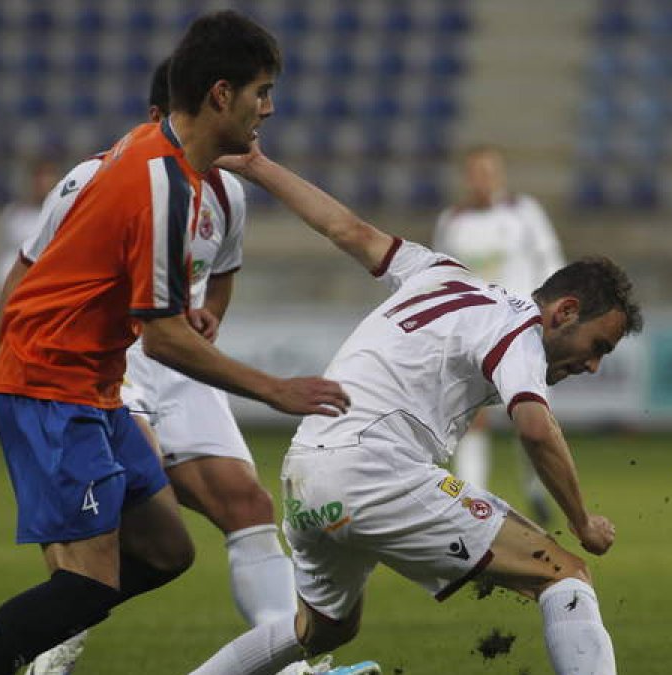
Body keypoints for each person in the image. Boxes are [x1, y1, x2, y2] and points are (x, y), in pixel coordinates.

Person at [0, 12, 350, 673]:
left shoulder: (164, 160)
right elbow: (162, 341)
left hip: (92, 390)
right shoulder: (160, 183)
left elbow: (167, 311)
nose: (268, 108)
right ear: (221, 94)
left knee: (165, 551)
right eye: (261, 91)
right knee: (85, 584)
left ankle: (34, 631)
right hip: (51, 387)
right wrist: (277, 389)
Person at [189, 142, 639, 675]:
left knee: (322, 628)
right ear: (564, 312)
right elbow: (537, 431)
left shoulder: (441, 273)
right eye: (598, 348)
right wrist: (582, 520)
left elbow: (346, 230)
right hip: (376, 471)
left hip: (306, 471)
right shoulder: (521, 330)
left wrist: (259, 165)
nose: (591, 366)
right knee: (564, 575)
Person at [432, 144, 567, 525]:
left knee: (530, 415)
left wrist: (552, 316)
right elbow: (442, 276)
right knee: (471, 416)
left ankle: (537, 488)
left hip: (521, 329)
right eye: (476, 172)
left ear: (501, 175)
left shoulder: (525, 214)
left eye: (489, 171)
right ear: (466, 177)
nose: (483, 179)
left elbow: (552, 261)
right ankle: (471, 503)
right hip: (470, 331)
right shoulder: (451, 221)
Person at [0, 159, 59, 289]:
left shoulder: (60, 215)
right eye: (39, 177)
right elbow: (4, 252)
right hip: (15, 286)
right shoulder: (12, 214)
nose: (42, 182)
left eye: (47, 176)